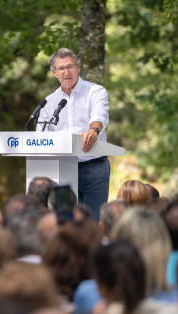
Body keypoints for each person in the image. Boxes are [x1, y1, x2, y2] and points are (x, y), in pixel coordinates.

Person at [40, 48, 110, 222]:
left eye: (70, 66)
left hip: (94, 167)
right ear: (54, 73)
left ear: (78, 67)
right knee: (65, 223)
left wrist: (93, 131)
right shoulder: (48, 102)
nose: (66, 72)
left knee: (94, 222)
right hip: (62, 169)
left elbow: (99, 116)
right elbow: (40, 137)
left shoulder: (96, 91)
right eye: (61, 68)